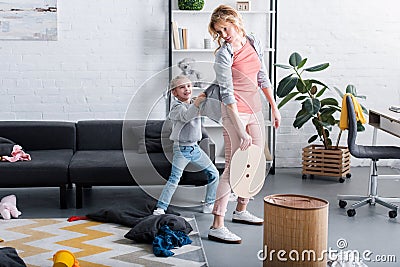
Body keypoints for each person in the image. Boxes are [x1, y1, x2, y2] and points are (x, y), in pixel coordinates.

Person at [206, 5, 281, 244]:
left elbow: (262, 77)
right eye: (219, 31)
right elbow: (227, 94)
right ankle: (217, 224)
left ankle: (241, 210)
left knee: (255, 161)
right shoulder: (223, 54)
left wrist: (274, 107)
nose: (224, 35)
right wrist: (240, 129)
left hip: (255, 110)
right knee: (232, 166)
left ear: (235, 22)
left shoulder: (253, 42)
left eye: (225, 28)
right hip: (234, 113)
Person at [153, 75, 219, 215]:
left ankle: (209, 203)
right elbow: (187, 116)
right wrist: (197, 104)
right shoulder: (176, 108)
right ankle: (161, 207)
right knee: (174, 179)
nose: (186, 89)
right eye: (182, 87)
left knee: (214, 174)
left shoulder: (195, 103)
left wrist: (216, 82)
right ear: (174, 92)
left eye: (188, 86)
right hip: (181, 150)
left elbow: (207, 101)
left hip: (195, 149)